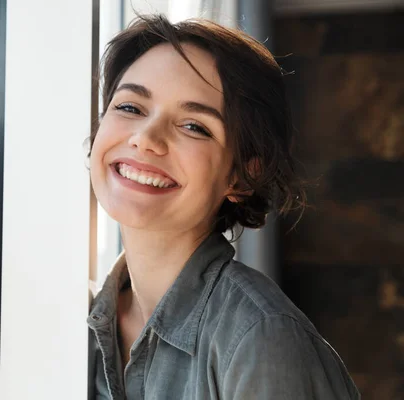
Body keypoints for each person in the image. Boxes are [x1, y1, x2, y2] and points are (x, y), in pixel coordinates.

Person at [86, 14, 360, 400]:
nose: (146, 138)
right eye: (130, 107)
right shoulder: (78, 324)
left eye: (194, 126)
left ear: (242, 176)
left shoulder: (261, 338)